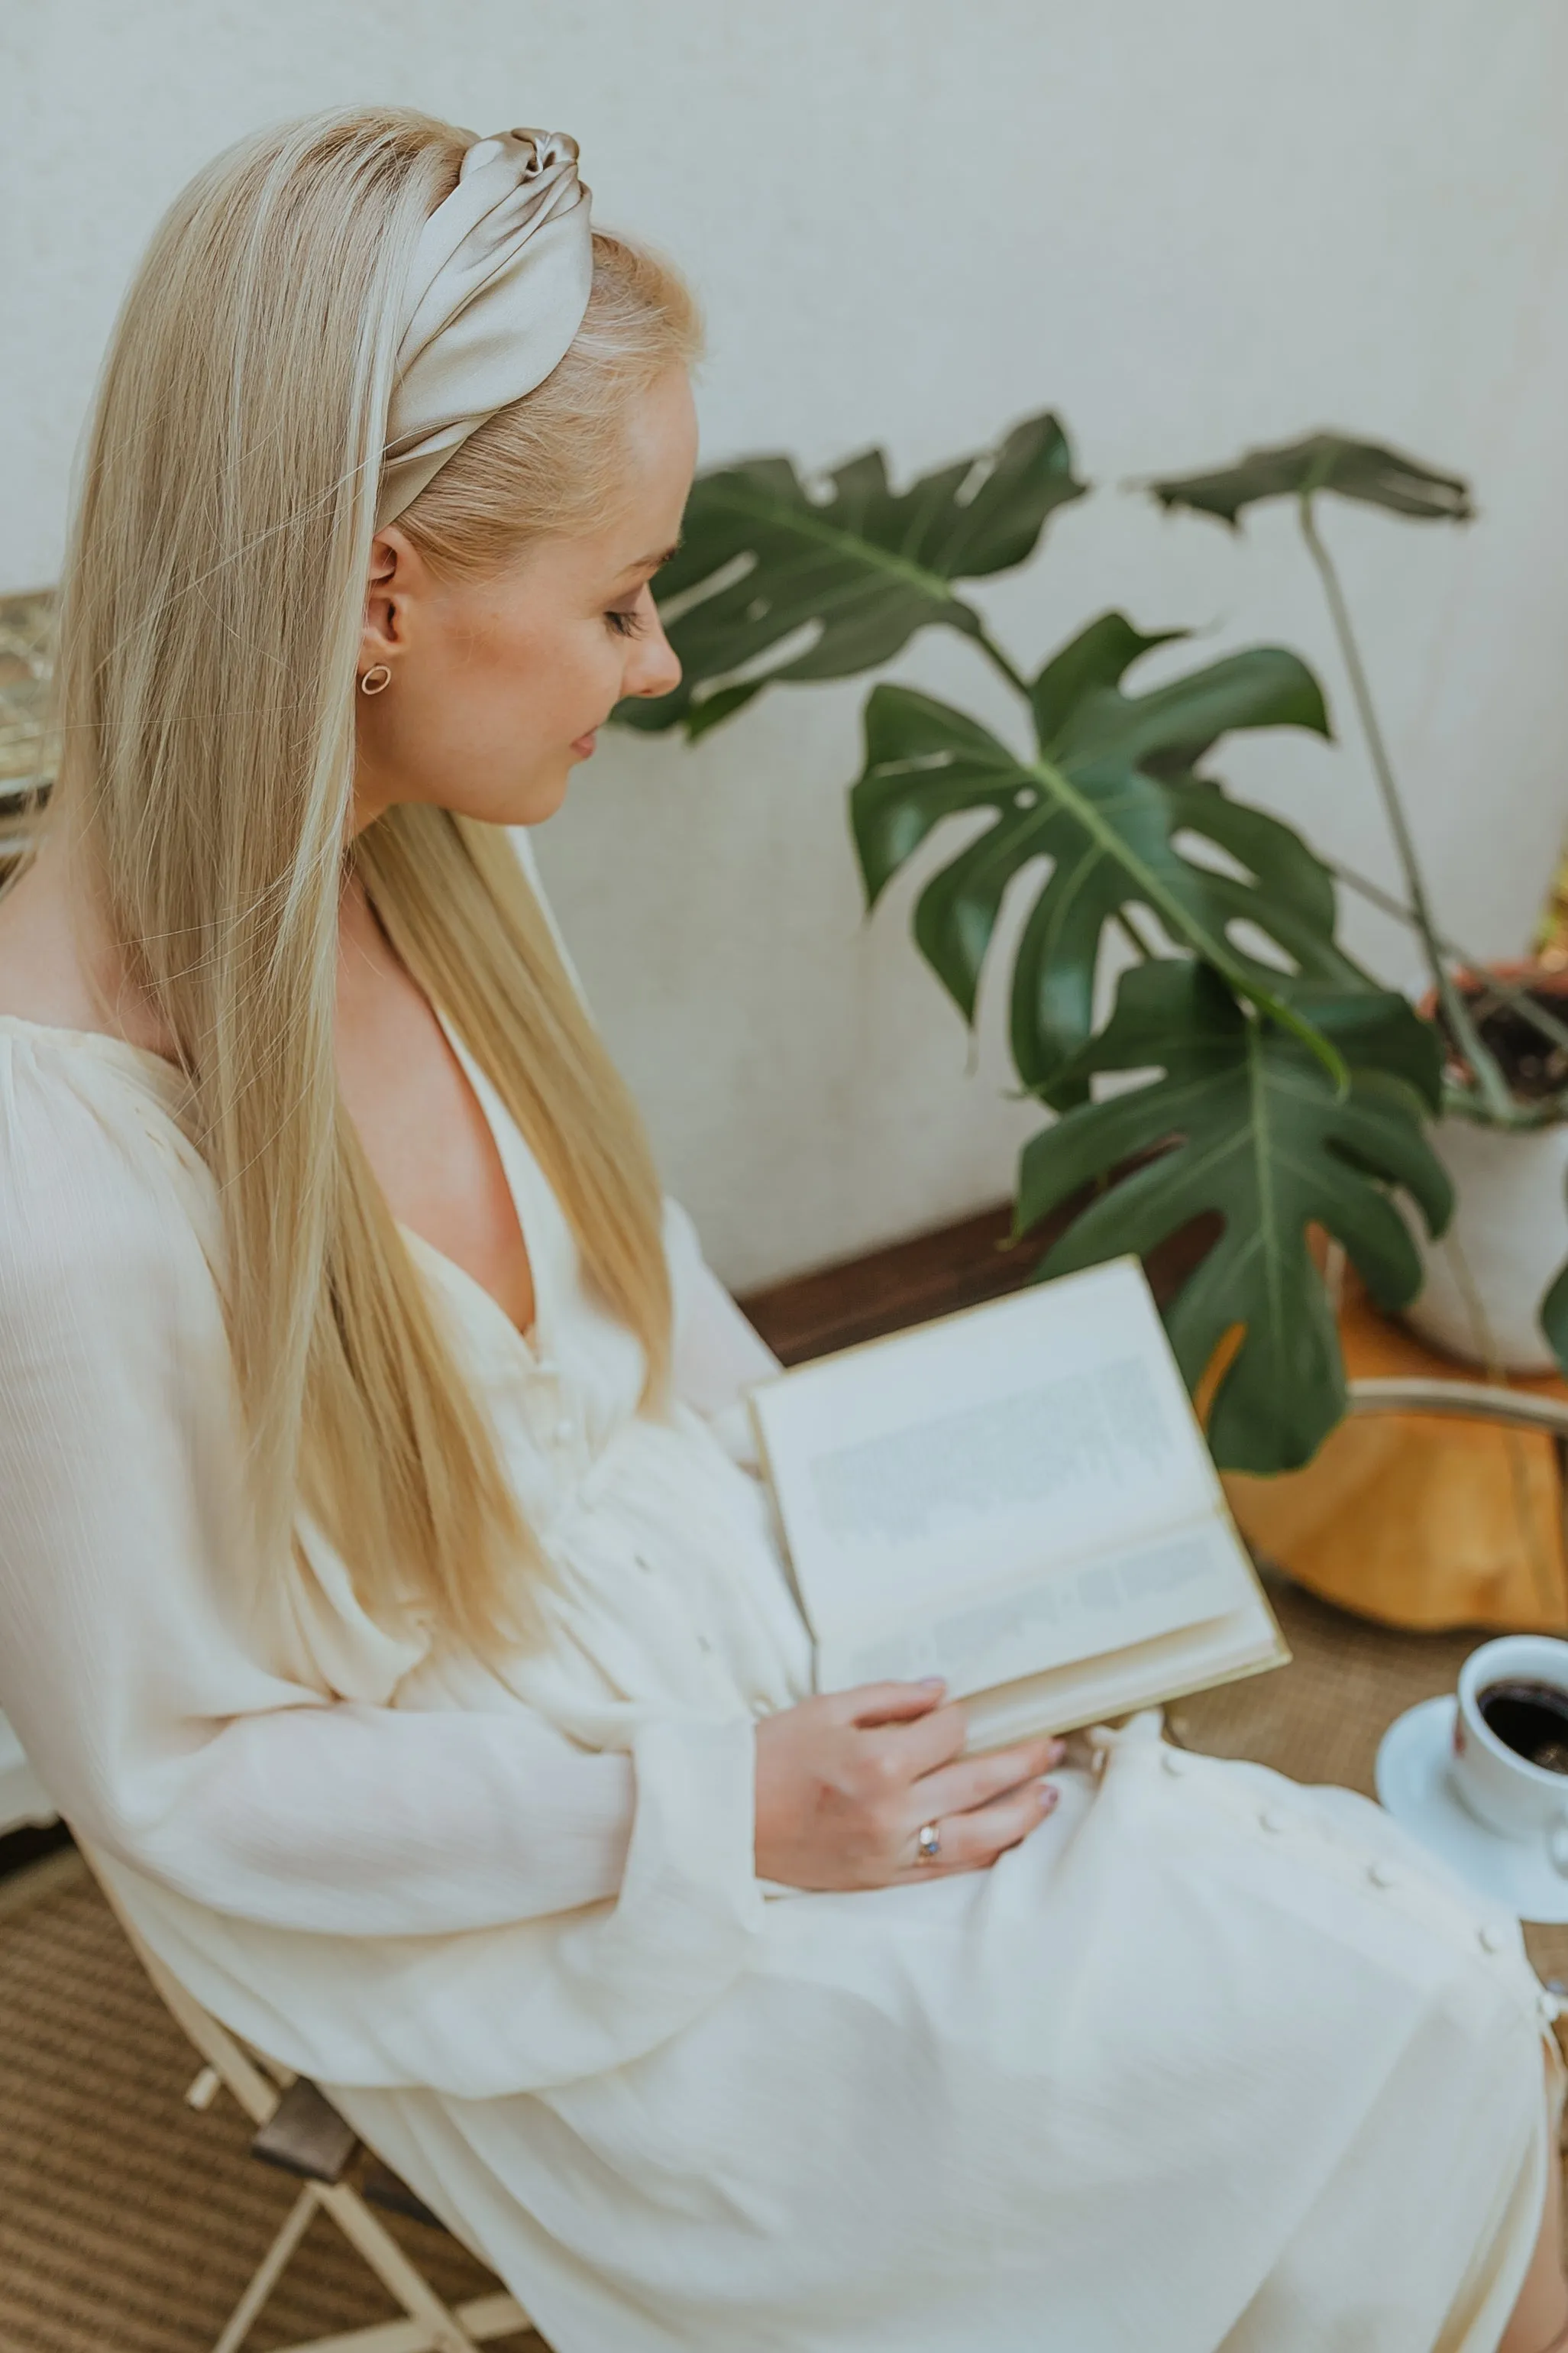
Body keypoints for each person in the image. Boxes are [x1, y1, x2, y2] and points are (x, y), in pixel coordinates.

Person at [0, 106, 1562, 2353]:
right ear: (377, 597)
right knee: (1388, 2010)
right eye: (621, 598)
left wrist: (893, 1534)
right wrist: (719, 1806)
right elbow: (188, 1796)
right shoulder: (60, 1198)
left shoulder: (441, 860)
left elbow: (642, 1296)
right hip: (525, 1893)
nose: (655, 665)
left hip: (740, 1657)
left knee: (1376, 1968)